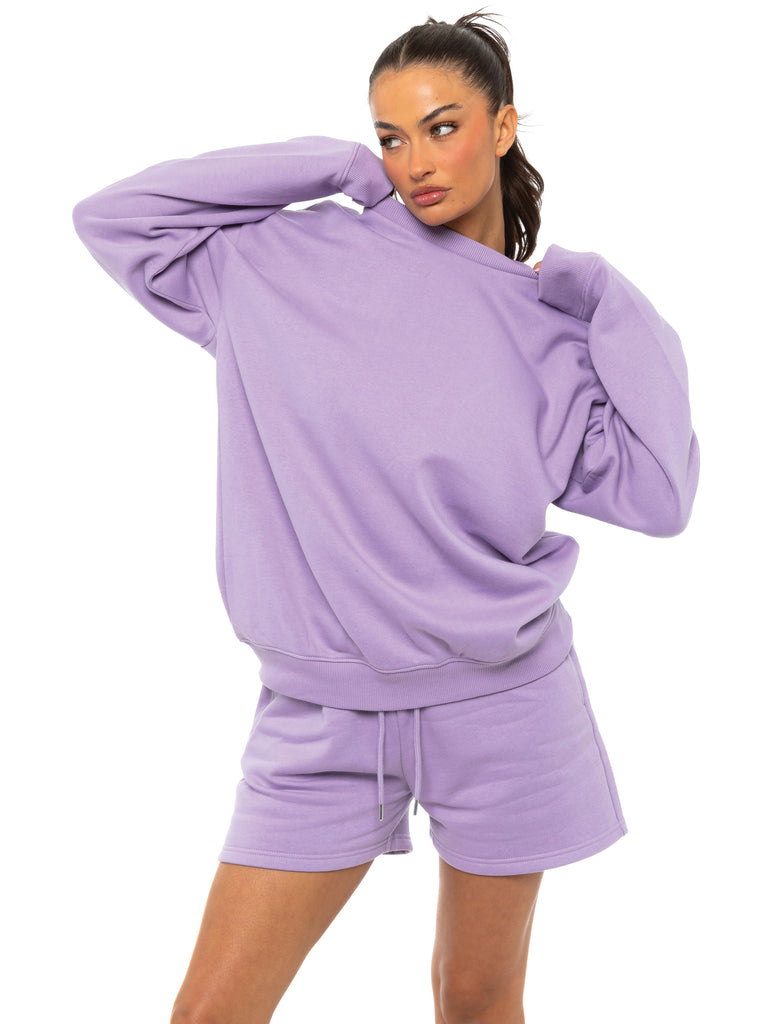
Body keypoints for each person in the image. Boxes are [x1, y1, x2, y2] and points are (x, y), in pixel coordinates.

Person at [71, 10, 700, 1024]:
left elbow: (661, 495)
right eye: (392, 136)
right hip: (320, 714)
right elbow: (114, 217)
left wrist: (606, 299)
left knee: (477, 1002)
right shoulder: (285, 262)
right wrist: (330, 166)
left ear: (503, 127)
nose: (416, 162)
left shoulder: (547, 329)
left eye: (443, 127)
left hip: (506, 702)